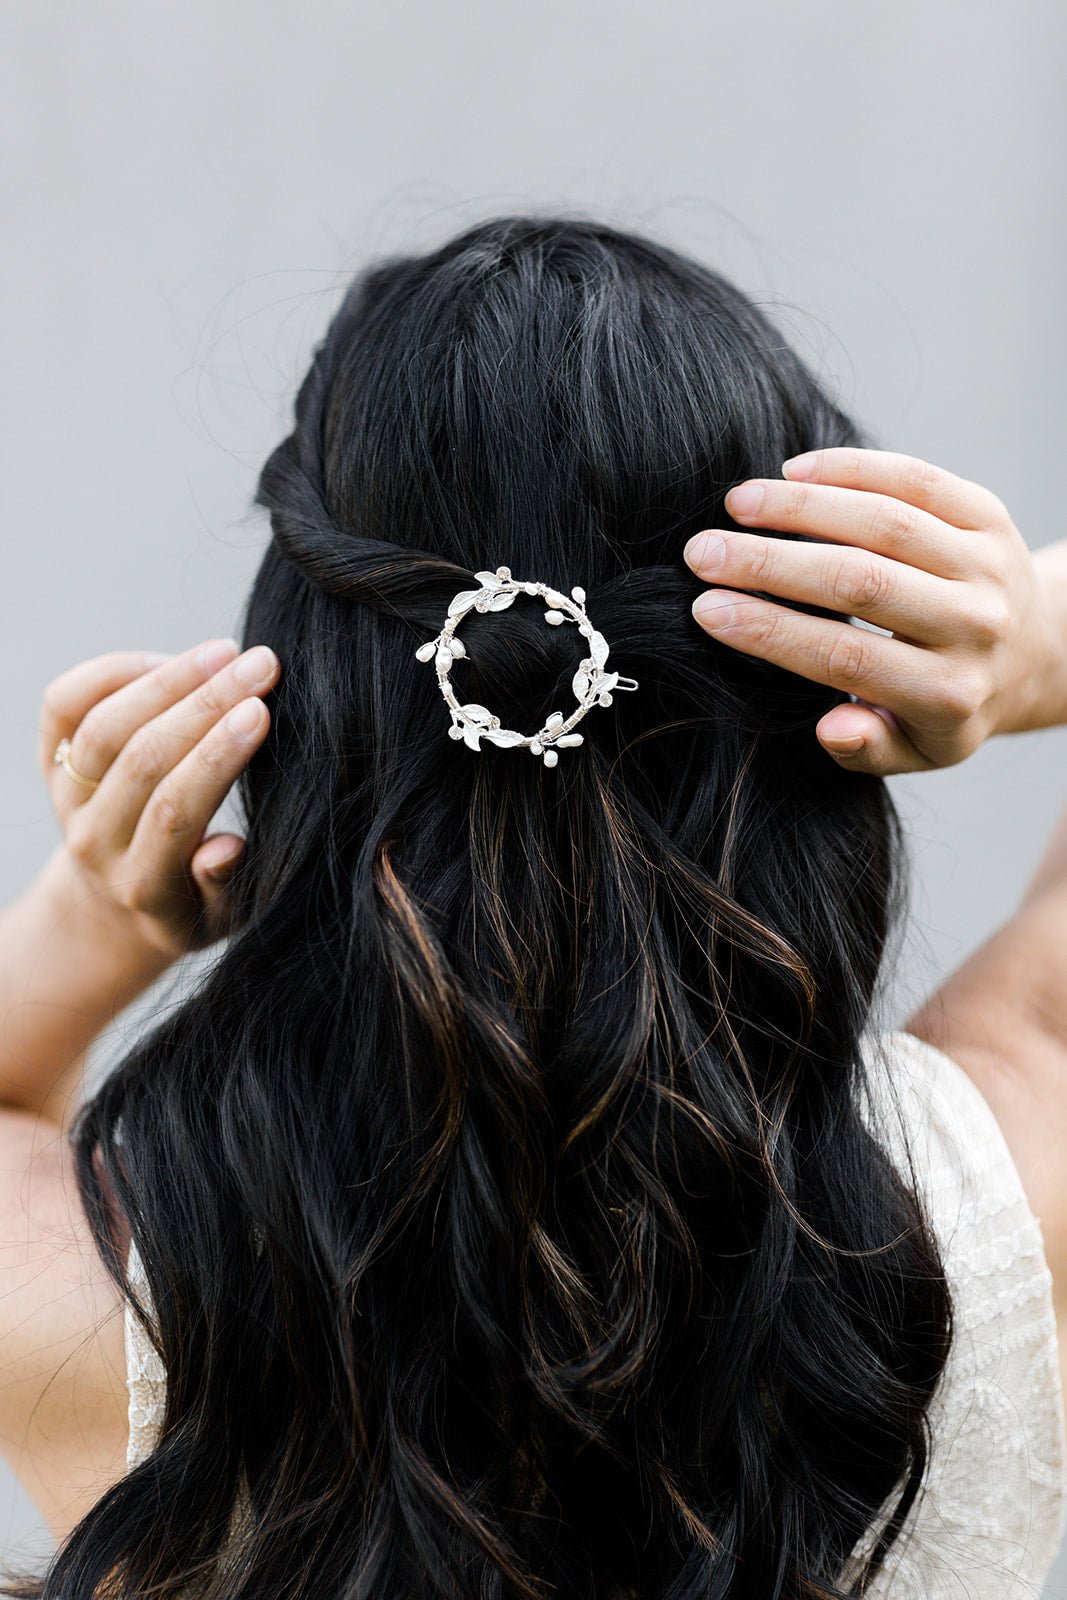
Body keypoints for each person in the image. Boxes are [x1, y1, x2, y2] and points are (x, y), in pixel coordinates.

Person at [0, 216, 1063, 1599]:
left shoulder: (114, 1304)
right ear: (806, 695)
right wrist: (1031, 642)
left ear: (310, 699)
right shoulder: (1016, 1185)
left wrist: (101, 914)